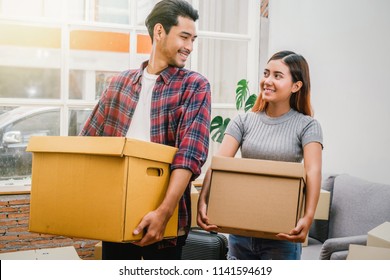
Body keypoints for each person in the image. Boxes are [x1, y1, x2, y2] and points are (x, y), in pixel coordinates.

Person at [80, 0, 211, 260]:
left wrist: (164, 212)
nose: (189, 47)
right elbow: (88, 144)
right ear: (159, 32)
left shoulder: (194, 86)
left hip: (167, 219)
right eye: (184, 37)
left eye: (193, 39)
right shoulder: (119, 83)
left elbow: (189, 156)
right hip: (114, 214)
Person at [197, 50, 323, 260]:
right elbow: (219, 164)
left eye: (277, 76)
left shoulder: (307, 125)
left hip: (282, 237)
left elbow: (313, 171)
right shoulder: (243, 121)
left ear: (296, 86)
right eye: (266, 73)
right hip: (240, 232)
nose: (267, 81)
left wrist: (308, 216)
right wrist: (203, 200)